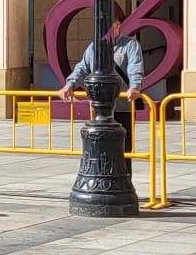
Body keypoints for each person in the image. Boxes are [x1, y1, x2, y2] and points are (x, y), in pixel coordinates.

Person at [58, 17, 147, 154]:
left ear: (118, 25)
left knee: (122, 151)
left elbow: (135, 68)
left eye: (109, 26)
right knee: (100, 151)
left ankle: (123, 175)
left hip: (121, 107)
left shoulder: (130, 45)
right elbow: (82, 68)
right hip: (98, 109)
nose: (105, 31)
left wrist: (135, 87)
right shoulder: (94, 47)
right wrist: (69, 84)